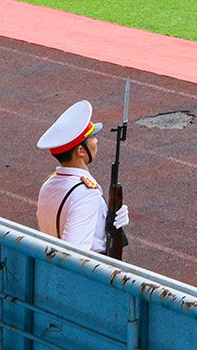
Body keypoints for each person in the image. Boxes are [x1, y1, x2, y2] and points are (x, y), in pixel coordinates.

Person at [35, 101, 128, 254]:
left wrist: (109, 218)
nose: (96, 141)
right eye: (92, 137)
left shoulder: (49, 183)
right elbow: (74, 254)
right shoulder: (86, 193)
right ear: (81, 151)